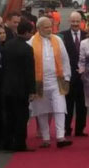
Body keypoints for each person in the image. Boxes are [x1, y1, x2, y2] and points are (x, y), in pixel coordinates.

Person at [29, 17, 72, 148]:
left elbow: (65, 59)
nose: (49, 29)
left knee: (60, 108)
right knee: (42, 110)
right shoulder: (31, 42)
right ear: (38, 28)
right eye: (46, 27)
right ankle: (46, 138)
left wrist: (67, 77)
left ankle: (60, 137)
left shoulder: (57, 40)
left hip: (56, 81)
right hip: (39, 82)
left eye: (50, 26)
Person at [1, 21, 36, 152]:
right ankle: (20, 143)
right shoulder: (27, 49)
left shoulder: (7, 45)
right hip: (21, 89)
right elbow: (29, 71)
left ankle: (7, 143)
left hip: (7, 87)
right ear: (26, 32)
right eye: (31, 32)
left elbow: (3, 66)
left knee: (9, 116)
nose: (31, 35)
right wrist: (32, 90)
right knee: (22, 117)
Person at [60, 11, 88, 137]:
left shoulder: (87, 35)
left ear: (81, 21)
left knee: (82, 104)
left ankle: (80, 129)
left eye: (77, 21)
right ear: (69, 21)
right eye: (73, 21)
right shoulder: (62, 36)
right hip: (68, 76)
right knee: (68, 104)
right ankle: (66, 128)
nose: (75, 24)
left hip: (84, 76)